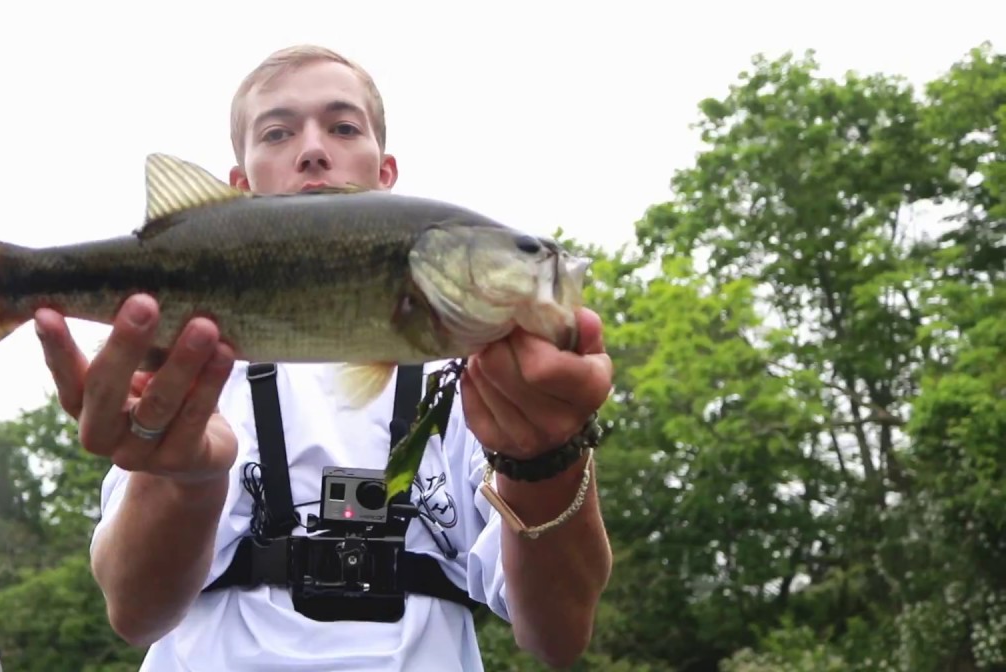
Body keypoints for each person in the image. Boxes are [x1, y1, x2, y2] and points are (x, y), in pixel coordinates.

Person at [34, 45, 614, 671]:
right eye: (278, 132)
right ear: (238, 186)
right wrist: (184, 477)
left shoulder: (484, 384)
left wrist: (547, 462)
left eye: (342, 126)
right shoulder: (184, 374)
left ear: (386, 174)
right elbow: (135, 612)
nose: (313, 149)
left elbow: (558, 636)